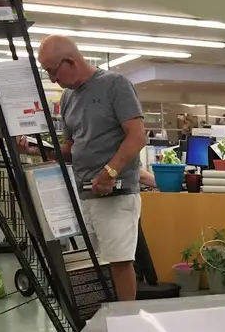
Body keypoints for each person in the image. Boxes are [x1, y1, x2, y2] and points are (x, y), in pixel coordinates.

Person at [34, 35, 146, 300]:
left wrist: (110, 172)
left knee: (119, 262)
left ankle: (127, 323)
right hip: (85, 193)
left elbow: (137, 136)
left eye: (52, 71)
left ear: (70, 61)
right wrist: (34, 148)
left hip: (116, 193)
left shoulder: (115, 85)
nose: (51, 79)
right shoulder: (69, 98)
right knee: (101, 262)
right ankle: (110, 320)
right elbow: (70, 148)